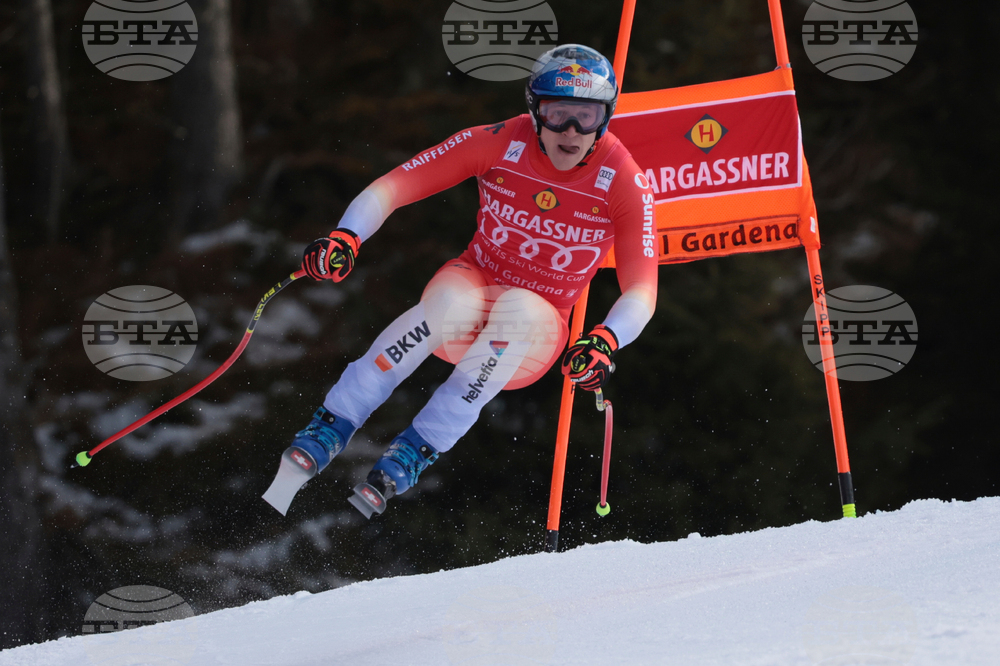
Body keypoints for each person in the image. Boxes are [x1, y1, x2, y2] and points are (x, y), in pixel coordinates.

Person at [276, 44, 658, 518]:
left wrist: (604, 340)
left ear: (606, 116)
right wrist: (346, 236)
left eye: (587, 116)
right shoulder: (498, 141)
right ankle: (333, 423)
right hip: (471, 288)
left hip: (535, 330)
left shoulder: (624, 180)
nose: (572, 131)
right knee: (447, 306)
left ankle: (416, 449)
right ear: (534, 109)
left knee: (519, 311)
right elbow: (394, 186)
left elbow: (642, 290)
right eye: (558, 114)